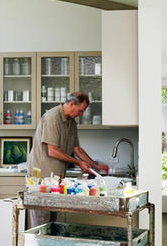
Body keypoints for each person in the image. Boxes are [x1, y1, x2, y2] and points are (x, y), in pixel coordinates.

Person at [26, 91, 109, 228]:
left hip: (56, 181)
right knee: (41, 224)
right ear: (71, 104)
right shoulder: (52, 118)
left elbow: (77, 149)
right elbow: (52, 151)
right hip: (41, 179)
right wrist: (78, 162)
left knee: (53, 224)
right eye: (80, 110)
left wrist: (95, 165)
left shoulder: (71, 122)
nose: (81, 114)